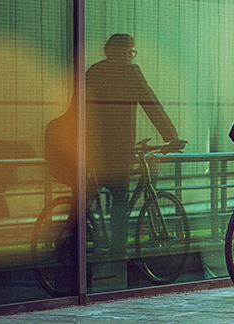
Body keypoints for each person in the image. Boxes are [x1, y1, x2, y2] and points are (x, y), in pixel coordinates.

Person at [86, 33, 184, 255]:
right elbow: (151, 103)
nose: (132, 56)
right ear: (123, 51)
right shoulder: (129, 71)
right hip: (117, 149)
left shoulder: (93, 71)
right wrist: (171, 137)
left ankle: (72, 233)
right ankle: (117, 250)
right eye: (130, 51)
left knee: (86, 196)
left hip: (91, 147)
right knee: (120, 199)